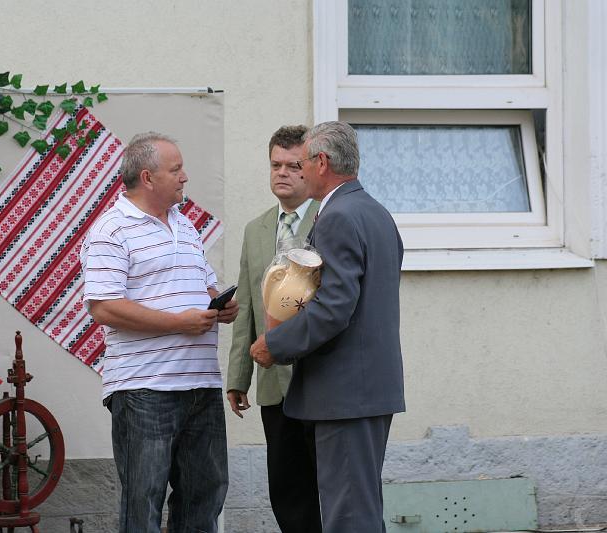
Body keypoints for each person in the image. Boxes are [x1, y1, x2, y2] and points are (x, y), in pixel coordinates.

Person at [250, 121, 405, 532]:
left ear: (321, 162)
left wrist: (274, 344)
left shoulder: (338, 216)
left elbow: (334, 308)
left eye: (301, 163)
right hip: (368, 390)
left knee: (348, 518)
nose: (297, 171)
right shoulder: (376, 212)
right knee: (360, 512)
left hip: (344, 393)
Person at [81, 132, 239, 533]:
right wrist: (177, 323)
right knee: (143, 501)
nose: (185, 176)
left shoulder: (185, 225)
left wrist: (220, 305)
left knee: (205, 496)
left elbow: (204, 287)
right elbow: (104, 307)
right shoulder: (111, 230)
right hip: (144, 389)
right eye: (176, 169)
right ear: (148, 178)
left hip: (201, 384)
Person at [225, 125, 322, 533]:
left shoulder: (329, 217)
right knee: (286, 489)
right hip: (272, 384)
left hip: (319, 379)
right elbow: (247, 305)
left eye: (293, 165)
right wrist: (238, 377)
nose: (282, 173)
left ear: (312, 167)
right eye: (275, 165)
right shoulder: (256, 229)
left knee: (328, 489)